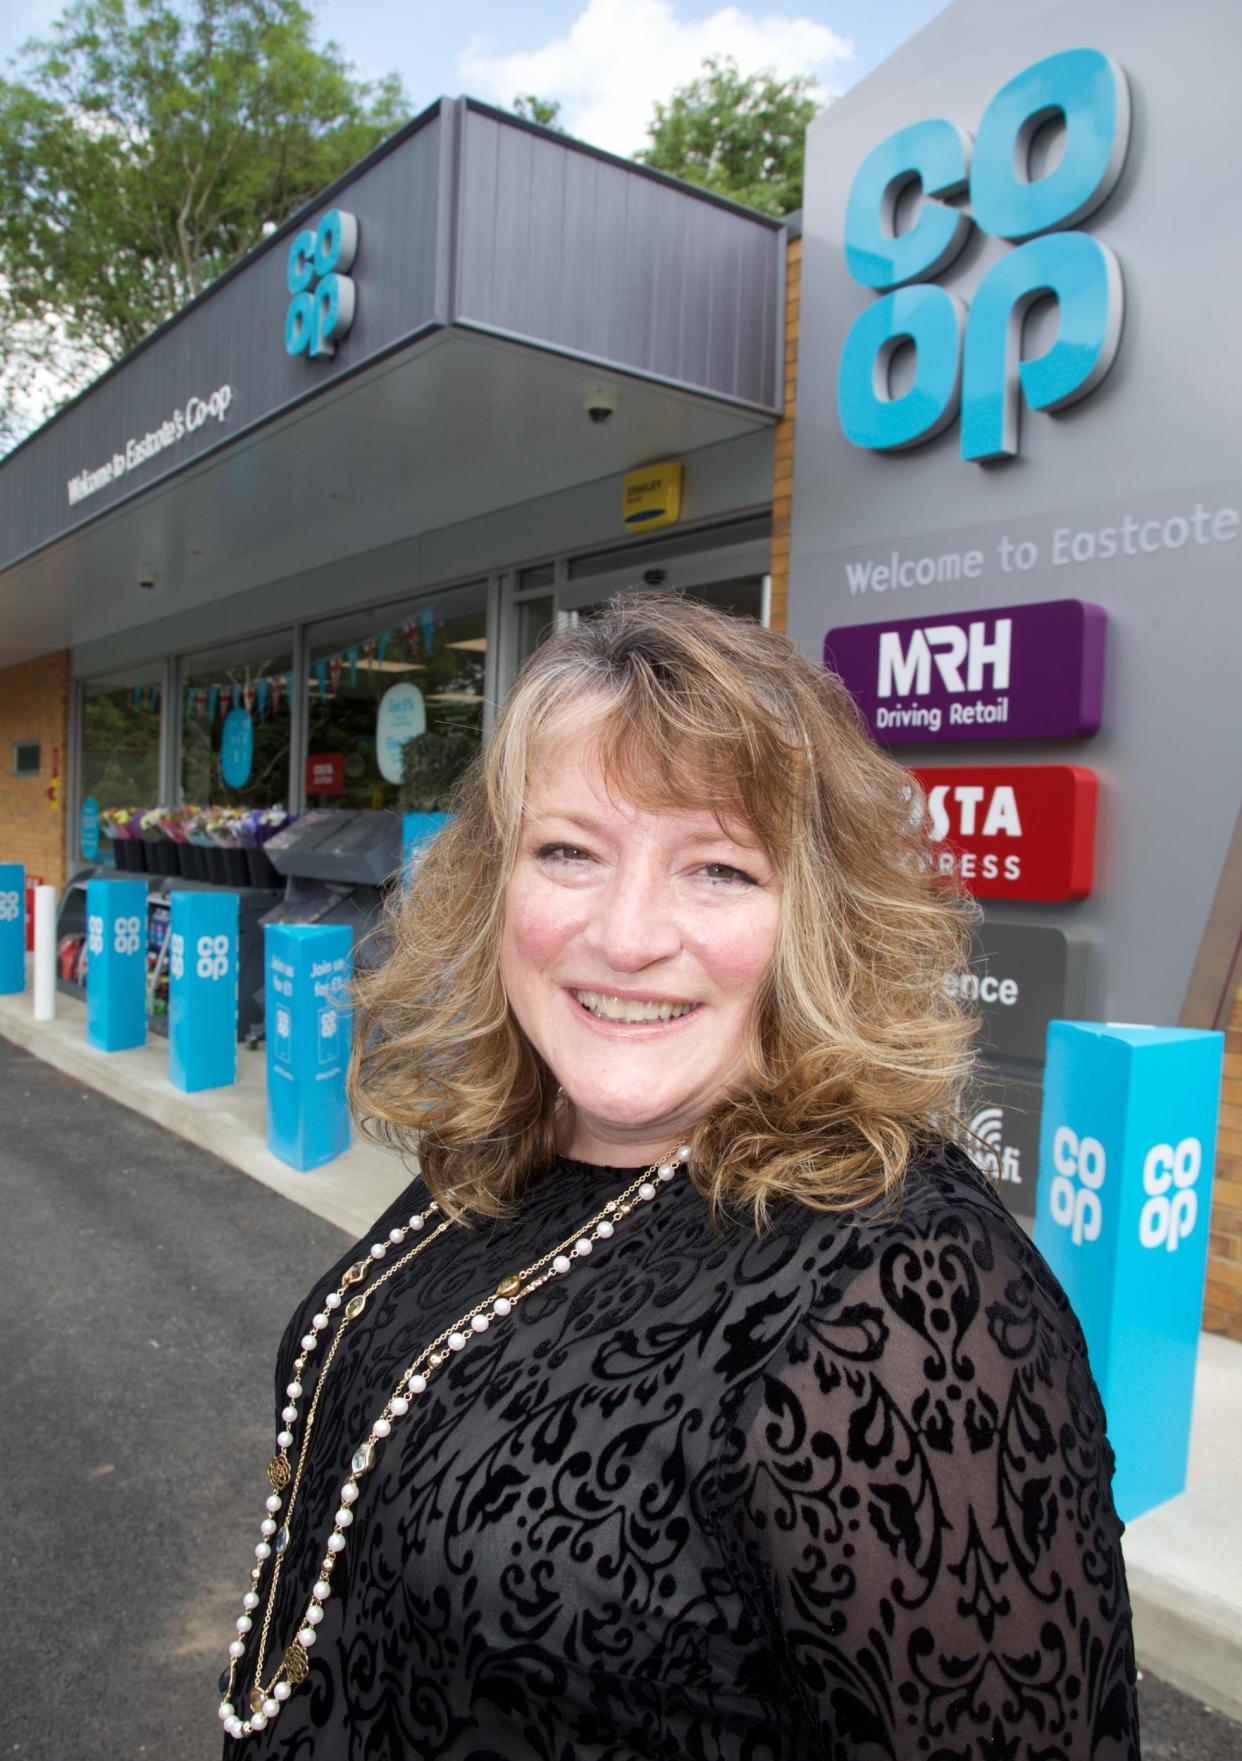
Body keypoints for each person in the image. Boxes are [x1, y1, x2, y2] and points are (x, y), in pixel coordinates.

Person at [216, 594, 1139, 1758]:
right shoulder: (523, 1147)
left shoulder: (913, 1299)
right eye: (568, 852)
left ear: (822, 920)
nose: (628, 933)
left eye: (716, 870)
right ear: (493, 887)